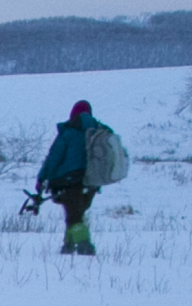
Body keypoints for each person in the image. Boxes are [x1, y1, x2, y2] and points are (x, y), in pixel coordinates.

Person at [32, 99, 128, 253]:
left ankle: (84, 244)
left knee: (74, 216)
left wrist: (42, 178)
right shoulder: (98, 132)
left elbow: (54, 157)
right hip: (91, 183)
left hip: (68, 181)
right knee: (75, 214)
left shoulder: (69, 132)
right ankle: (68, 245)